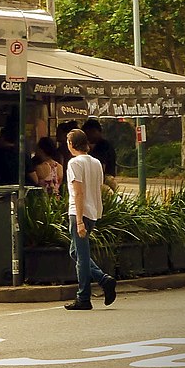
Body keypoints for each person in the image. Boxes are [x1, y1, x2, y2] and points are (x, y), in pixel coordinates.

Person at [63, 128, 116, 310]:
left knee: (82, 256)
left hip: (79, 212)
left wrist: (78, 220)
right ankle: (103, 279)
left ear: (71, 144)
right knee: (76, 252)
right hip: (93, 211)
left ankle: (83, 297)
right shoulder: (96, 163)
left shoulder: (74, 163)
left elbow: (78, 192)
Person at [82, 119, 118, 192]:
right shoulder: (89, 146)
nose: (87, 136)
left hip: (104, 179)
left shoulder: (104, 146)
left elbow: (102, 166)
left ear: (96, 131)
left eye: (89, 133)